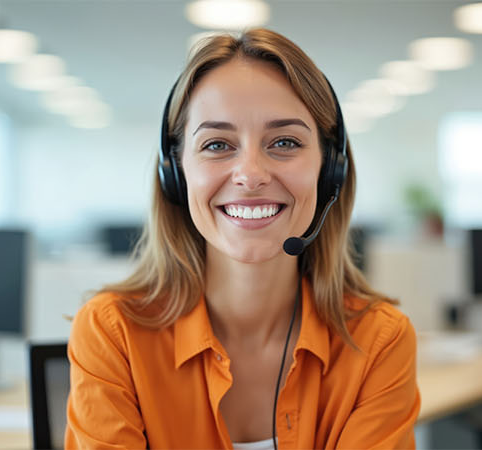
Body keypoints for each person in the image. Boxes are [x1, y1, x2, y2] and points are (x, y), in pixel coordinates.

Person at [63, 28, 420, 450]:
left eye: (285, 142)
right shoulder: (114, 333)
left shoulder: (378, 340)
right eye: (217, 144)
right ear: (175, 174)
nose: (250, 174)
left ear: (330, 172)